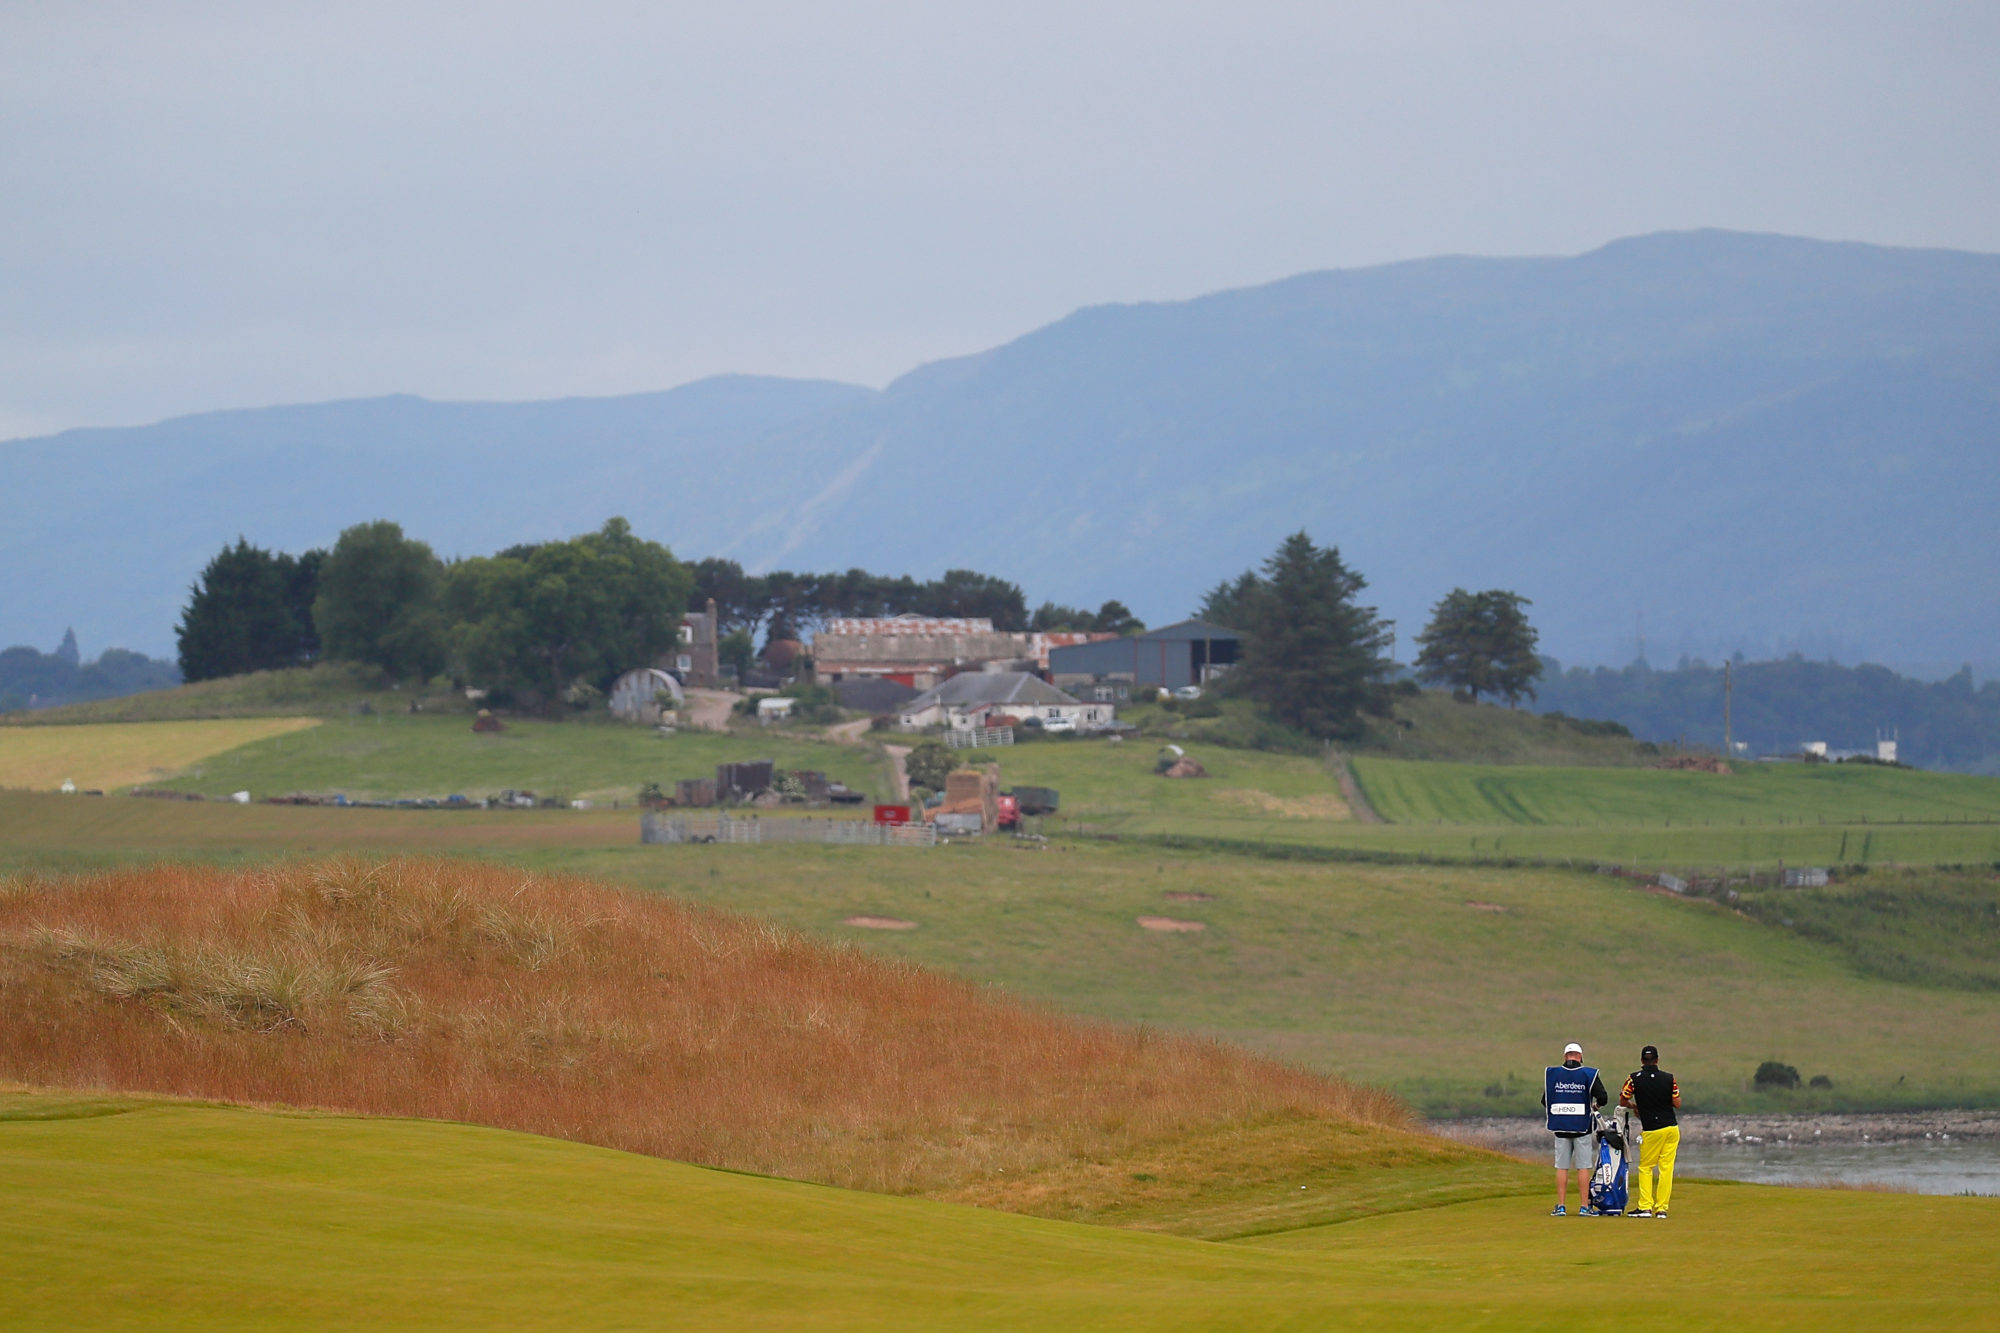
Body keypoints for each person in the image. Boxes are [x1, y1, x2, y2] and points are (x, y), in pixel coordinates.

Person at [1543, 1041, 1609, 1215]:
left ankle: (1561, 1206)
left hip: (1560, 1126)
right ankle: (1584, 1207)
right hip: (1582, 1127)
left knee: (1562, 1167)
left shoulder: (1553, 1074)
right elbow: (1603, 1097)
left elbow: (1545, 1100)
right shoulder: (1589, 1073)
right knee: (1583, 1167)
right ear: (1580, 1057)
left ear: (1565, 1056)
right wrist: (1595, 1106)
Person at [1620, 1044, 1681, 1218]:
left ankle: (1645, 1207)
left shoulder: (1634, 1078)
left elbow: (1623, 1100)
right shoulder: (1669, 1078)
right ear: (1657, 1060)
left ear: (1642, 1061)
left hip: (1652, 1129)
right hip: (1671, 1127)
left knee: (1646, 1167)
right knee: (1666, 1168)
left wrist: (1635, 1106)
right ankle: (1661, 1209)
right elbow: (1677, 1103)